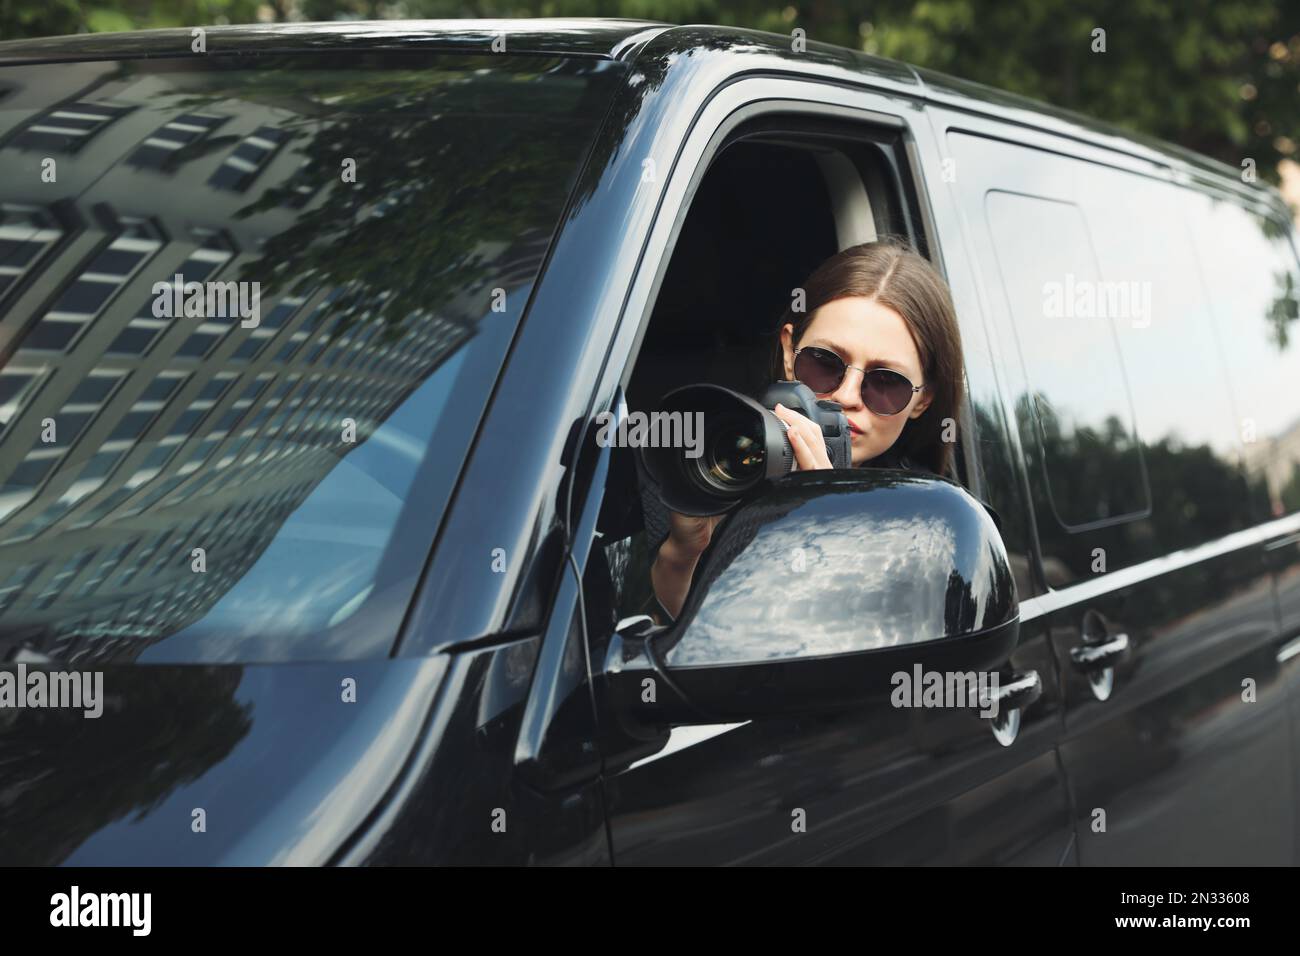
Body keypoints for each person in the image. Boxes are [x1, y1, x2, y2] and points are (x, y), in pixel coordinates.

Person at [645, 238, 967, 620]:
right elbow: (670, 644)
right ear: (788, 352)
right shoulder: (708, 460)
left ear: (923, 400)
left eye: (885, 383)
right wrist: (685, 552)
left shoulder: (932, 522)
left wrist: (827, 521)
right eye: (824, 363)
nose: (846, 395)